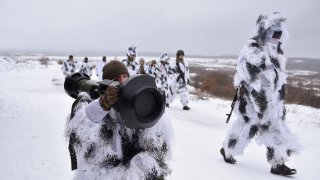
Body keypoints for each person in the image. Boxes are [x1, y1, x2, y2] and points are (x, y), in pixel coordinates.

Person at [220, 13, 301, 176]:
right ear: (264, 32)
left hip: (272, 103)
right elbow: (245, 77)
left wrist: (279, 103)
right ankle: (228, 150)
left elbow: (278, 80)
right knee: (245, 128)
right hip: (252, 102)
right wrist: (258, 99)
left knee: (276, 129)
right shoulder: (252, 49)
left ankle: (278, 163)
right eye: (274, 33)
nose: (277, 37)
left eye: (279, 34)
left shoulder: (277, 52)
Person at [65, 60, 173, 180]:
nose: (122, 81)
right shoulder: (91, 103)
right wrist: (103, 105)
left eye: (124, 76)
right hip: (100, 171)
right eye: (116, 79)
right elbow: (82, 130)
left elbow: (156, 139)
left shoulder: (133, 103)